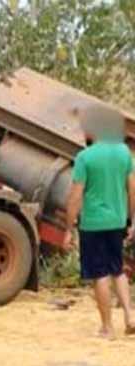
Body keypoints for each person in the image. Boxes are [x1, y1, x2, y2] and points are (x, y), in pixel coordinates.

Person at [66, 105, 135, 339]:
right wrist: (132, 220)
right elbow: (132, 190)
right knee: (118, 270)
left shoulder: (85, 157)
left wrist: (68, 227)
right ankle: (130, 315)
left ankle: (107, 328)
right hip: (117, 221)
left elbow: (76, 195)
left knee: (100, 274)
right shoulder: (125, 153)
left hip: (93, 223)